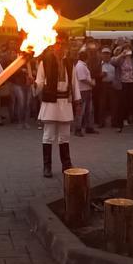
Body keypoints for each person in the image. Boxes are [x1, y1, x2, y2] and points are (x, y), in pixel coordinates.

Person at [35, 37, 81, 178]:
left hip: (65, 102)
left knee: (65, 136)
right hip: (51, 101)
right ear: (52, 46)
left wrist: (77, 100)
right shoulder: (45, 61)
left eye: (62, 44)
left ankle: (66, 165)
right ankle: (47, 167)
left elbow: (74, 82)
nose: (60, 47)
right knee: (48, 136)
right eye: (57, 44)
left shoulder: (69, 62)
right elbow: (40, 81)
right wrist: (34, 85)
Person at [111, 42, 133, 133]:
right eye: (126, 49)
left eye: (129, 49)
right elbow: (113, 62)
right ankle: (119, 126)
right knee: (121, 106)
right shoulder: (120, 59)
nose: (128, 50)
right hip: (122, 84)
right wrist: (121, 54)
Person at [75, 50, 98, 136]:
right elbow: (82, 78)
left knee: (89, 110)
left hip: (86, 90)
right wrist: (91, 83)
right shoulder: (80, 66)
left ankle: (89, 127)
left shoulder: (82, 65)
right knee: (81, 111)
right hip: (83, 90)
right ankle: (78, 128)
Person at [98, 48, 117, 127]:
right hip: (103, 85)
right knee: (102, 104)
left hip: (112, 85)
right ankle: (101, 122)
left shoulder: (114, 64)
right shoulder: (98, 64)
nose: (106, 55)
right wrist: (100, 75)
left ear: (110, 55)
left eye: (108, 54)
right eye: (104, 53)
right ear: (101, 55)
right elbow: (94, 74)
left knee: (114, 104)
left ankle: (114, 122)